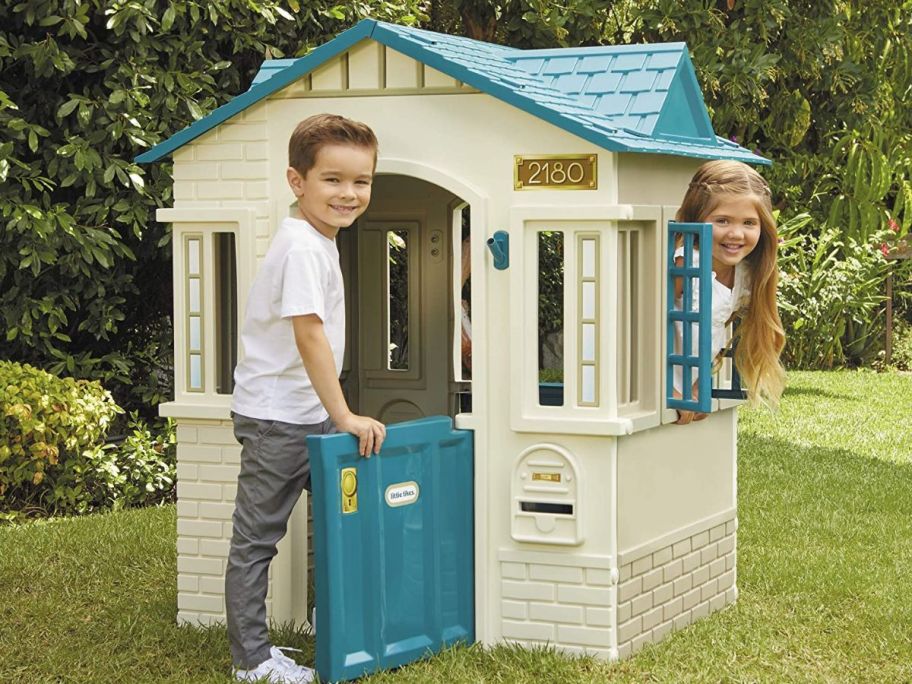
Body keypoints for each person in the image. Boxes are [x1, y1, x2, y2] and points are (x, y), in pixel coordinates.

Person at [227, 113, 387, 683]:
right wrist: (341, 413)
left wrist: (329, 414)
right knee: (257, 539)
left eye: (361, 181)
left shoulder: (319, 242)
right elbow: (308, 332)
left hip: (308, 413)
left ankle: (332, 620)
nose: (348, 193)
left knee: (341, 515)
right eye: (333, 180)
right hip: (278, 419)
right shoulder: (300, 247)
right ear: (297, 182)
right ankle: (252, 662)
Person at [672, 159, 786, 425]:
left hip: (685, 392)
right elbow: (644, 334)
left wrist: (699, 385)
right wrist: (667, 391)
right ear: (696, 219)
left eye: (749, 222)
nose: (736, 233)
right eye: (722, 220)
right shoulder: (686, 265)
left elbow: (717, 333)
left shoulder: (747, 275)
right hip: (647, 385)